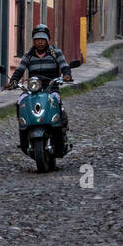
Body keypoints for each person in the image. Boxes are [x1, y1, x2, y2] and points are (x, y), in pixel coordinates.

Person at [7, 25, 73, 153]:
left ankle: (61, 129)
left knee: (57, 103)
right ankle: (24, 129)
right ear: (33, 40)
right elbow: (20, 69)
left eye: (43, 39)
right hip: (33, 90)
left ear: (48, 40)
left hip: (51, 88)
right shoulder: (29, 55)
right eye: (37, 39)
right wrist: (13, 81)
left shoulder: (55, 53)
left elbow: (64, 65)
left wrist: (66, 75)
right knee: (20, 101)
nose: (40, 41)